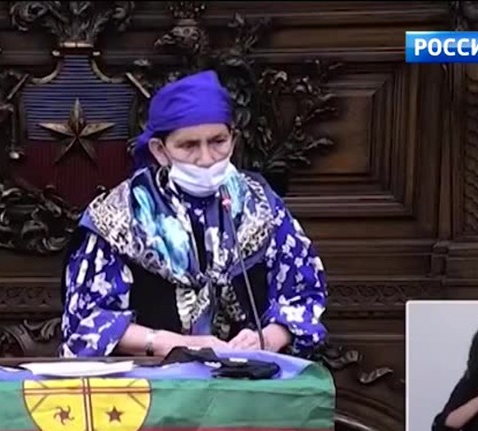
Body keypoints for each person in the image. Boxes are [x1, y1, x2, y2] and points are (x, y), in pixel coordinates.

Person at [59, 70, 327, 358]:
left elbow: (304, 292)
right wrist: (168, 343)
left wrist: (268, 338)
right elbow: (86, 320)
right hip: (153, 377)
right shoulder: (119, 215)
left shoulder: (261, 205)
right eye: (189, 146)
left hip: (247, 372)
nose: (206, 158)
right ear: (160, 150)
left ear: (233, 139)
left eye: (218, 141)